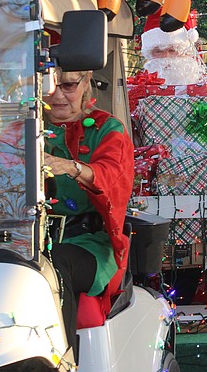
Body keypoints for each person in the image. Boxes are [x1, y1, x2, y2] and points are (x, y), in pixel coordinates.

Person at [43, 69, 134, 352]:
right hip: (27, 238)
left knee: (53, 263)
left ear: (86, 83)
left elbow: (111, 175)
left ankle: (64, 360)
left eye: (68, 85)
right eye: (49, 86)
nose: (57, 95)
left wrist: (72, 167)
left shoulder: (107, 129)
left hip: (90, 244)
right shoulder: (19, 128)